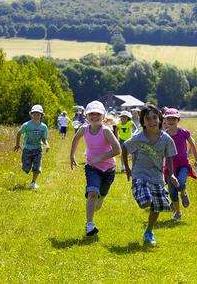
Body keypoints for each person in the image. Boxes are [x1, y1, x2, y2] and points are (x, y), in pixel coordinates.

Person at [121, 104, 180, 246]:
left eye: (155, 118)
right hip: (140, 175)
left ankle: (149, 231)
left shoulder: (166, 139)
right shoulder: (138, 137)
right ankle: (138, 192)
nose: (152, 121)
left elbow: (170, 157)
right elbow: (124, 147)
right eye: (148, 119)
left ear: (160, 119)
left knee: (157, 207)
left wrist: (171, 175)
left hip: (157, 177)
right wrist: (128, 168)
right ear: (143, 122)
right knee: (147, 201)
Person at [70, 100, 121, 236]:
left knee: (101, 193)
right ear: (86, 116)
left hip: (109, 170)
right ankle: (89, 225)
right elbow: (75, 139)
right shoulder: (84, 129)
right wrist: (72, 156)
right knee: (92, 193)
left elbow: (117, 150)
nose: (94, 116)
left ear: (103, 116)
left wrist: (100, 158)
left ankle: (101, 198)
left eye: (97, 114)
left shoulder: (106, 131)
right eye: (91, 114)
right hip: (92, 167)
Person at [163, 108, 197, 221]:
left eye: (174, 118)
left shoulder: (184, 133)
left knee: (181, 182)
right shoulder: (164, 135)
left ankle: (183, 193)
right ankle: (178, 212)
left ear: (178, 120)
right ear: (165, 120)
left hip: (183, 164)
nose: (171, 120)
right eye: (169, 118)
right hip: (170, 167)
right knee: (172, 191)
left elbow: (192, 144)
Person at [14, 104, 49, 190]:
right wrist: (17, 144)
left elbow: (44, 138)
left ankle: (33, 182)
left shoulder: (43, 127)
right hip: (27, 149)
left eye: (38, 114)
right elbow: (19, 133)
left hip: (38, 149)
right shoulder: (27, 125)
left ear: (41, 115)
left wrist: (47, 145)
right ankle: (26, 165)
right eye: (34, 113)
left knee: (37, 167)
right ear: (31, 114)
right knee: (26, 168)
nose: (36, 115)